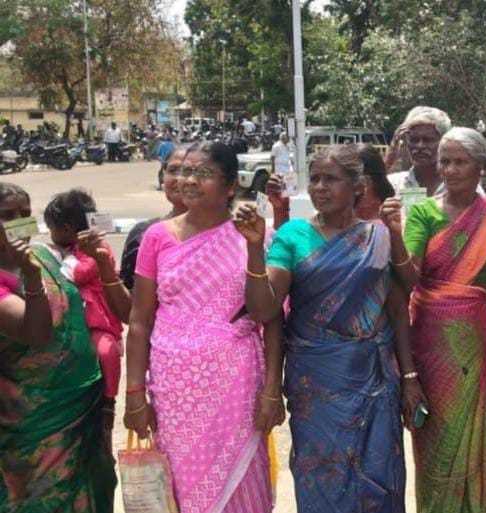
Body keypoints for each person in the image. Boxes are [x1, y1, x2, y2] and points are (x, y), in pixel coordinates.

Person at [236, 144, 423, 513]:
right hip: (316, 384)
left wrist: (410, 377)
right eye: (315, 179)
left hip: (374, 381)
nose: (320, 187)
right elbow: (263, 309)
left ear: (358, 187)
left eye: (331, 179)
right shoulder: (293, 236)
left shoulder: (378, 237)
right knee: (321, 474)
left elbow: (398, 307)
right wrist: (255, 249)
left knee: (379, 478)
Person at [124, 141, 285, 513]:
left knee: (243, 481)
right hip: (173, 388)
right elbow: (139, 320)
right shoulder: (157, 237)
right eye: (185, 171)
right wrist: (134, 393)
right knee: (182, 484)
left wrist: (272, 390)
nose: (189, 180)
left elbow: (272, 319)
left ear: (230, 186)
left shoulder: (257, 235)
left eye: (204, 173)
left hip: (236, 384)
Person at [388, 127, 486, 513]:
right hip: (433, 347)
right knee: (438, 444)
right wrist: (395, 233)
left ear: (481, 166)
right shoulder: (424, 213)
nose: (450, 169)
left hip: (483, 345)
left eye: (460, 162)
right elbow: (410, 278)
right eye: (445, 161)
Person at [0, 183, 116, 512]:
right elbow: (36, 333)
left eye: (24, 214)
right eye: (7, 215)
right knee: (40, 497)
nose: (18, 222)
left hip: (83, 404)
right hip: (33, 418)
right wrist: (30, 277)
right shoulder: (28, 266)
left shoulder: (42, 254)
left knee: (93, 486)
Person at [42, 189, 132, 457]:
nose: (50, 234)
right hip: (72, 325)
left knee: (105, 351)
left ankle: (109, 399)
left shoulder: (95, 250)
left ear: (67, 229)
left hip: (97, 320)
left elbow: (79, 274)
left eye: (53, 228)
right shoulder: (66, 249)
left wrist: (62, 260)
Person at [120, 144, 190, 289]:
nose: (179, 178)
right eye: (173, 170)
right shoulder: (143, 234)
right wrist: (105, 269)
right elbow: (132, 299)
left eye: (189, 171)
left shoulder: (233, 235)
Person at [385, 107, 486, 198]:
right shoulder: (394, 184)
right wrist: (389, 158)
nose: (420, 146)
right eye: (414, 140)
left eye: (428, 140)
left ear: (444, 142)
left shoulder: (465, 187)